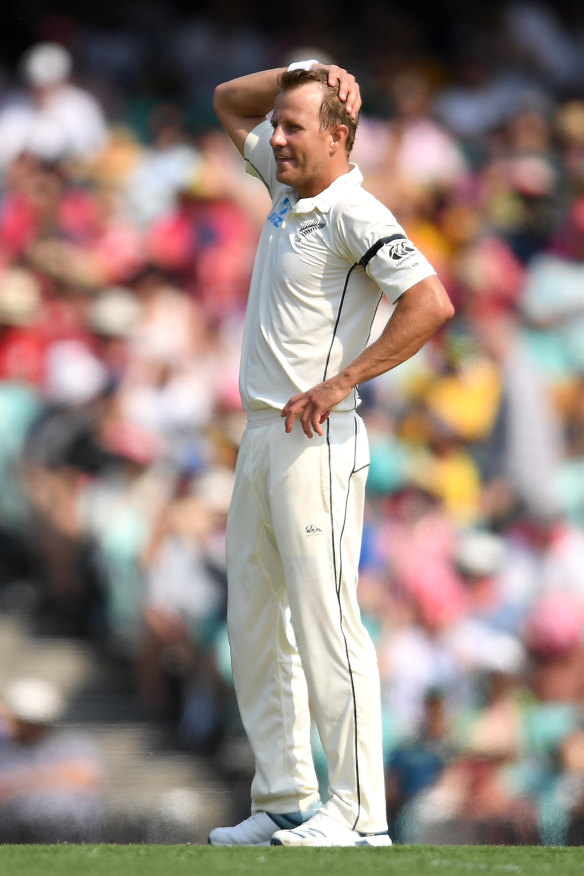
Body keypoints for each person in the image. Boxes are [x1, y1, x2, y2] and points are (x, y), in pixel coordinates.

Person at [209, 59, 454, 848]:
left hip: (317, 437)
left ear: (339, 137)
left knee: (327, 624)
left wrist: (344, 379)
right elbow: (223, 101)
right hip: (259, 435)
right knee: (254, 622)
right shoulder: (287, 193)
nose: (275, 137)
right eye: (275, 127)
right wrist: (299, 72)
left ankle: (360, 815)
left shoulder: (356, 211)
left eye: (293, 126)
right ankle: (284, 797)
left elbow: (430, 302)